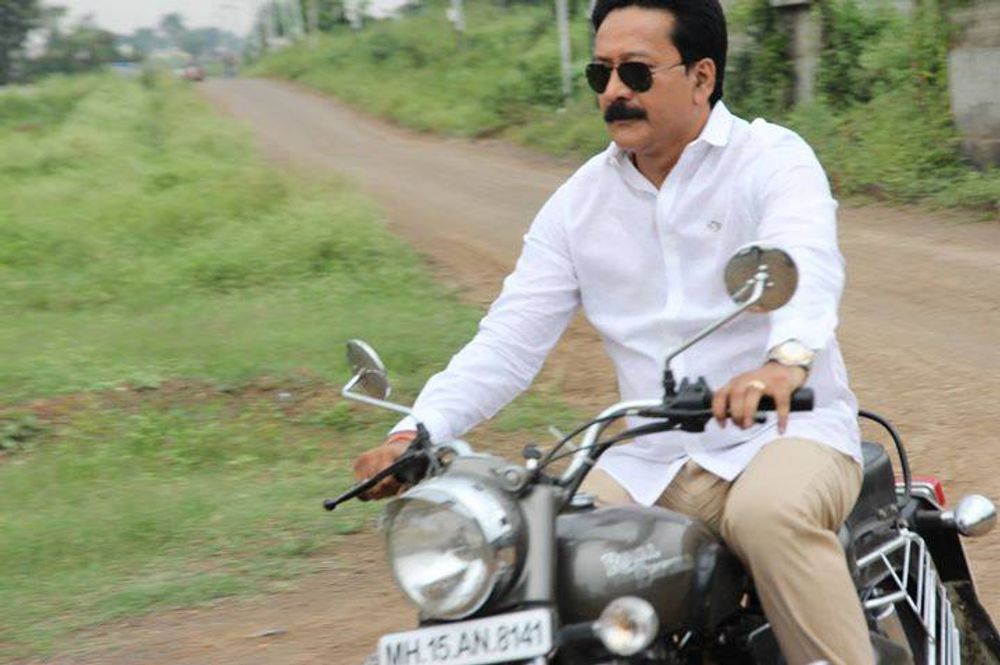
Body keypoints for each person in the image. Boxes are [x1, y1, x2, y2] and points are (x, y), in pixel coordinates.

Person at [353, 1, 871, 662]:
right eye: (602, 74)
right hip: (649, 459)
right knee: (532, 548)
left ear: (702, 76)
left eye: (636, 72)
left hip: (786, 435)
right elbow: (509, 340)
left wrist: (784, 362)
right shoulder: (577, 204)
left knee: (769, 515)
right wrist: (415, 432)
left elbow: (806, 258)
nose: (615, 91)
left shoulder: (771, 160)